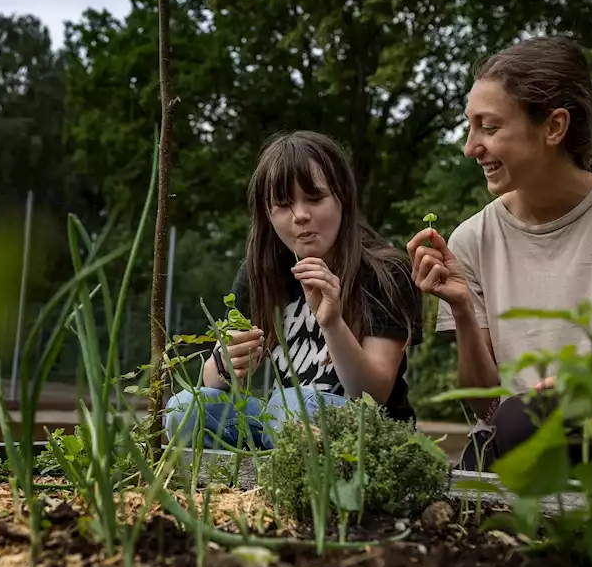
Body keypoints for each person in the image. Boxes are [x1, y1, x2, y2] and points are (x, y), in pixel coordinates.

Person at [406, 35, 592, 484]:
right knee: (516, 420)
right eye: (470, 127)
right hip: (509, 448)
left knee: (527, 420)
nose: (470, 147)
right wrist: (463, 309)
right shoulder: (471, 239)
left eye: (488, 127)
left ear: (554, 127)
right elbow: (488, 408)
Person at [166, 130, 423, 450]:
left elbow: (374, 394)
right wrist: (223, 365)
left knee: (291, 404)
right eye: (284, 204)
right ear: (268, 213)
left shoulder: (386, 273)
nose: (301, 215)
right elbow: (214, 385)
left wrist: (332, 323)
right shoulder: (261, 273)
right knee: (184, 409)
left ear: (342, 197)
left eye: (314, 198)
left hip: (367, 432)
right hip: (281, 420)